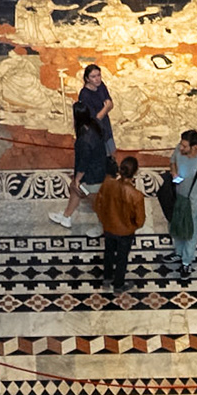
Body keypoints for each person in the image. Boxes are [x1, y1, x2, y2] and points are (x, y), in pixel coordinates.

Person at [51, 102, 112, 227]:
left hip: (92, 176)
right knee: (75, 190)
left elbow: (84, 162)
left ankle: (103, 226)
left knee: (95, 202)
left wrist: (77, 179)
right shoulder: (95, 125)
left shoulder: (84, 140)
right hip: (99, 169)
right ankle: (66, 216)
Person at [167, 130, 197, 273]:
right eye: (181, 145)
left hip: (193, 203)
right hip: (179, 198)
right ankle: (179, 252)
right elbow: (172, 162)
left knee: (190, 232)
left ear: (194, 147)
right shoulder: (179, 149)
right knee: (176, 225)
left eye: (184, 146)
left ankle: (186, 262)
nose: (180, 148)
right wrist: (174, 173)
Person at [96, 155, 146, 292]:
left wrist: (104, 219)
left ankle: (107, 278)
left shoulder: (107, 184)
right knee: (122, 258)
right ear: (135, 172)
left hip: (109, 226)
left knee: (108, 252)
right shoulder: (136, 195)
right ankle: (118, 285)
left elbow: (98, 204)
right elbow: (140, 220)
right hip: (125, 232)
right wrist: (132, 226)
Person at [77, 63, 116, 151]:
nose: (97, 79)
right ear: (87, 79)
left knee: (112, 154)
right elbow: (94, 119)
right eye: (93, 77)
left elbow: (110, 104)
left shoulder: (101, 86)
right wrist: (105, 108)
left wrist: (105, 109)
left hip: (106, 127)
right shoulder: (85, 95)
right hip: (95, 133)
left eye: (98, 75)